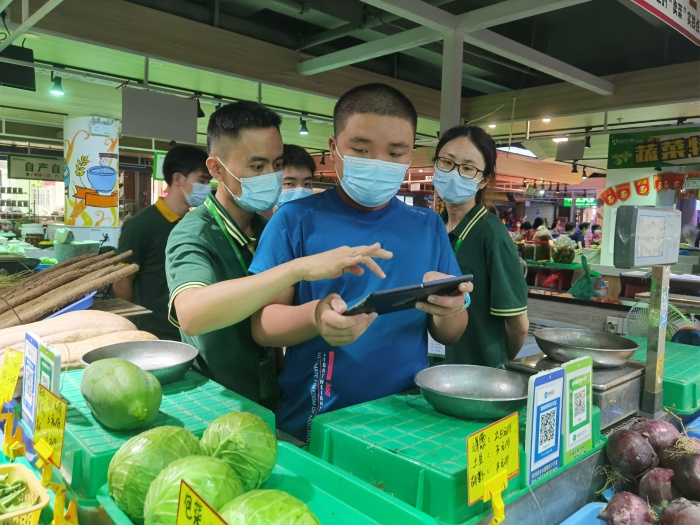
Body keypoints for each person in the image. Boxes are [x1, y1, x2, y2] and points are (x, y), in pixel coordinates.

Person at [248, 83, 471, 442]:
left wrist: (451, 308)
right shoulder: (294, 220)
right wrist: (316, 318)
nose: (379, 163)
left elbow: (450, 332)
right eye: (362, 150)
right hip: (316, 418)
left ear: (411, 154)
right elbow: (263, 325)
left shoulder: (428, 225)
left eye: (395, 153)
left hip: (408, 418)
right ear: (334, 148)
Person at [165, 101, 392, 409]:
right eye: (257, 167)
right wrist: (295, 269)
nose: (270, 176)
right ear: (216, 168)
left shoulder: (269, 228)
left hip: (273, 396)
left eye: (276, 164)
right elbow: (192, 315)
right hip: (218, 400)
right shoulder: (194, 235)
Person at [431, 125, 528, 367]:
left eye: (467, 168)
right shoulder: (433, 228)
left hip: (476, 371)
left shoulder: (492, 235)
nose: (454, 173)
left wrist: (499, 364)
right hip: (432, 368)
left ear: (483, 180)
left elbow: (518, 326)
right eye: (447, 162)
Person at [114, 145, 211, 340]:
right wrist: (131, 326)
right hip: (154, 333)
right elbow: (122, 282)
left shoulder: (194, 225)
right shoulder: (140, 225)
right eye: (202, 181)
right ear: (178, 179)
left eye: (208, 182)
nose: (206, 188)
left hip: (189, 332)